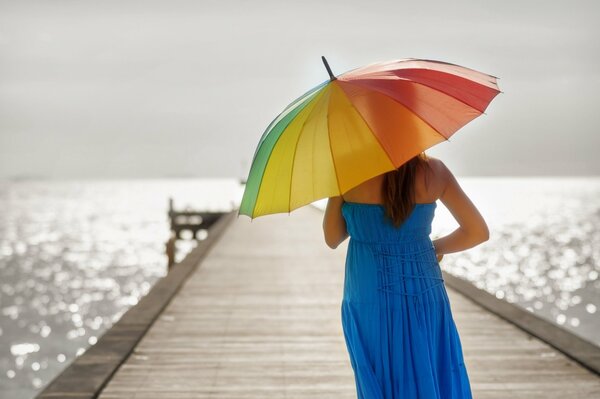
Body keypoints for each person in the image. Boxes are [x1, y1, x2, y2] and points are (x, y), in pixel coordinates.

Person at [322, 152, 489, 399]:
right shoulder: (435, 171)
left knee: (378, 381)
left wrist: (338, 189)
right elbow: (477, 231)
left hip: (368, 297)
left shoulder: (347, 171)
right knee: (430, 370)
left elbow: (332, 237)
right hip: (425, 292)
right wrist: (435, 248)